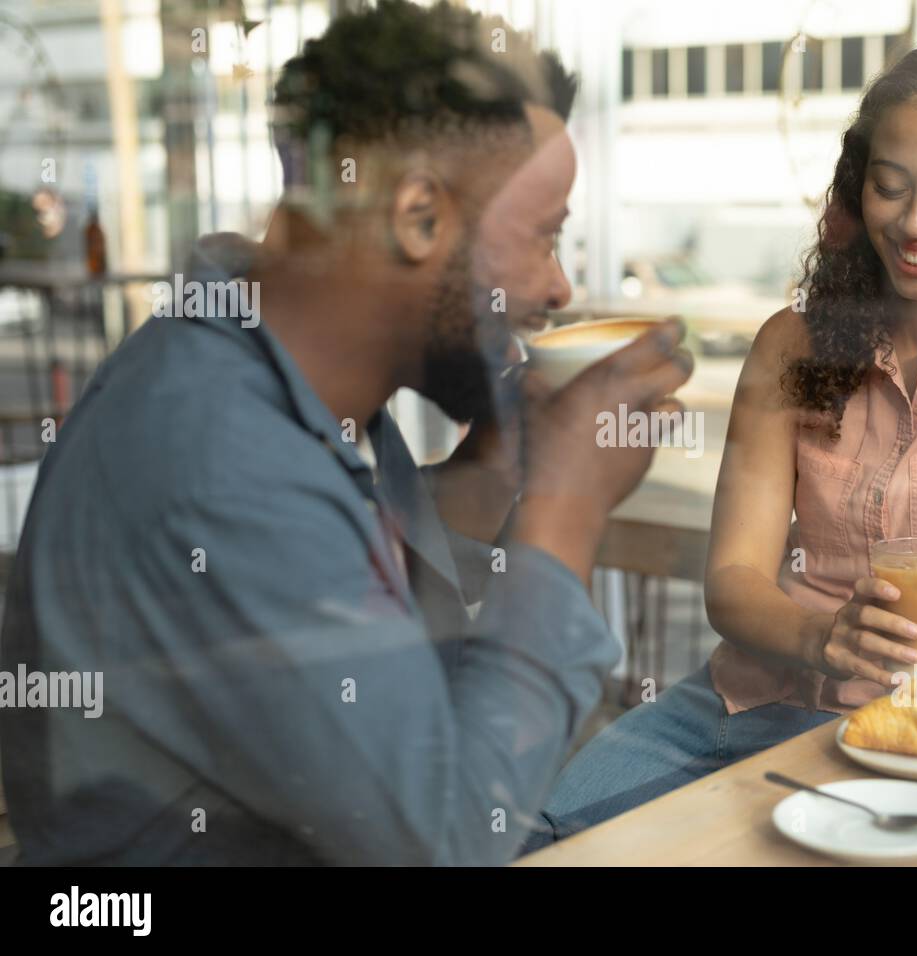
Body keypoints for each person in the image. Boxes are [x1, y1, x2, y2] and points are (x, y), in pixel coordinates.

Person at [0, 0, 692, 865]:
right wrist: (567, 506)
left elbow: (362, 613)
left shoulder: (295, 379)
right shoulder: (223, 460)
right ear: (418, 217)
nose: (557, 289)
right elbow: (445, 839)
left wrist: (496, 473)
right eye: (546, 238)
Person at [521, 41, 917, 852]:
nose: (915, 222)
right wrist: (822, 637)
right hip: (741, 706)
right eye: (889, 186)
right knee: (537, 842)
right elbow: (733, 580)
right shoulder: (792, 344)